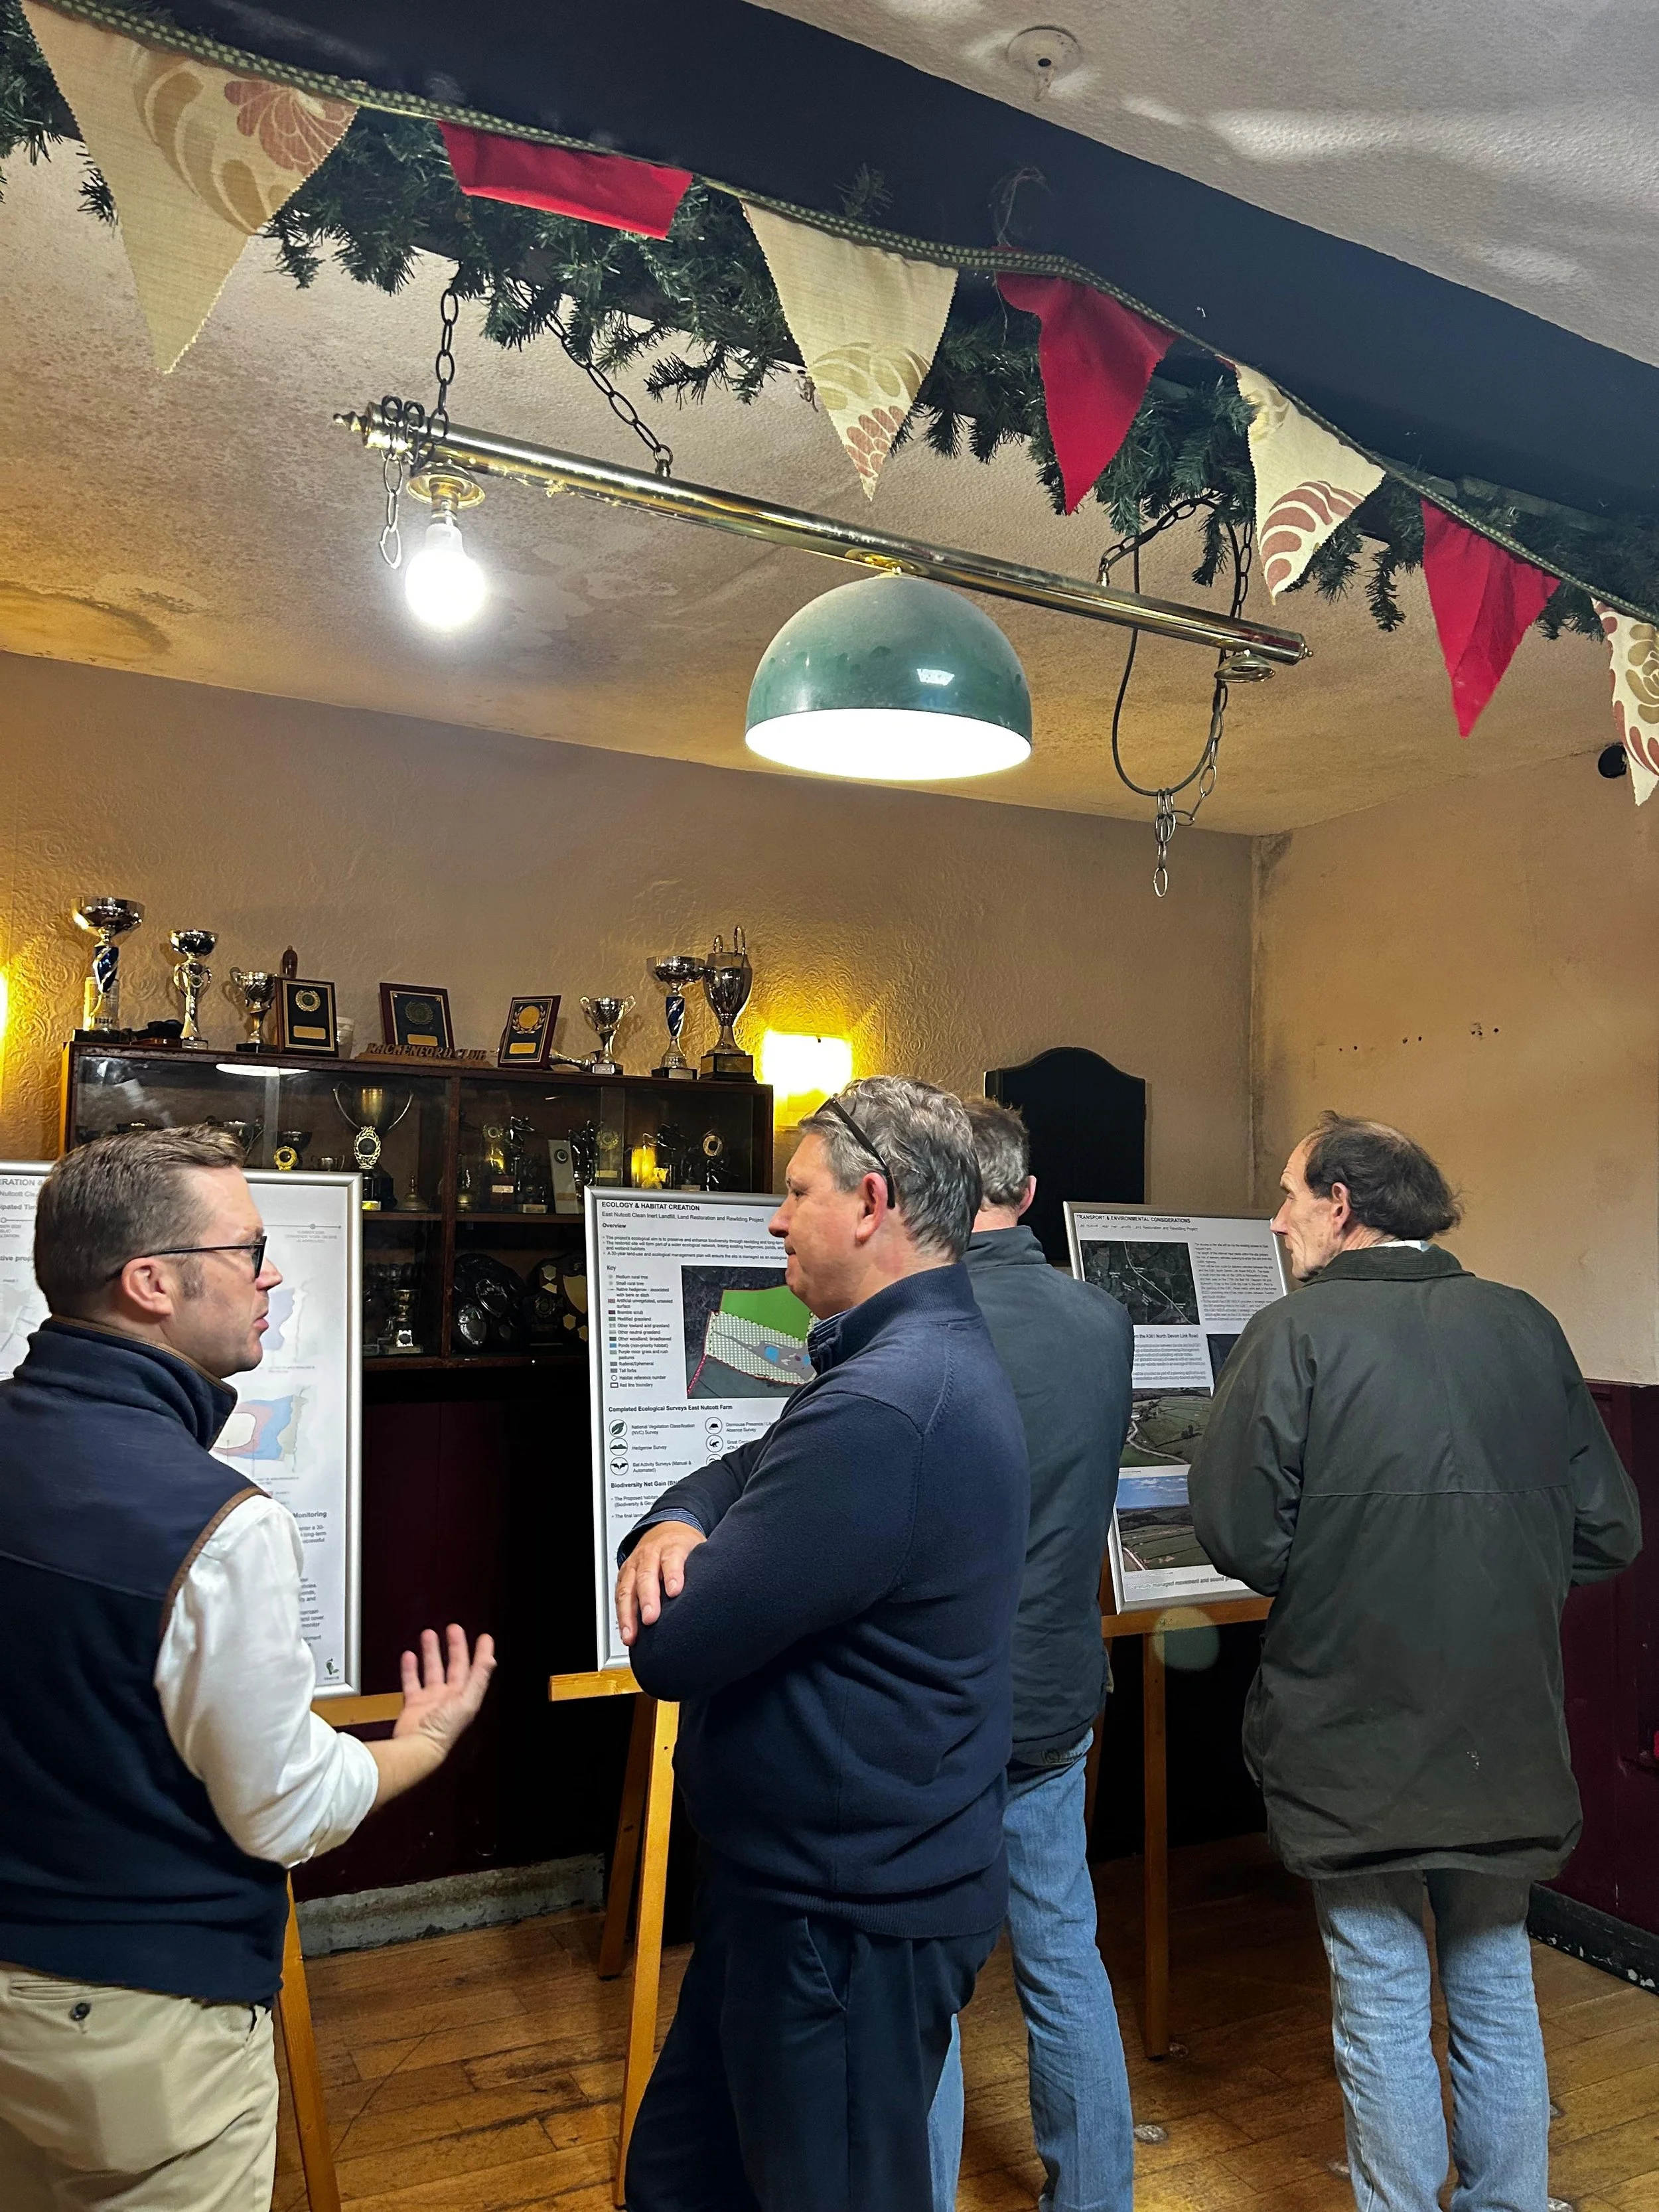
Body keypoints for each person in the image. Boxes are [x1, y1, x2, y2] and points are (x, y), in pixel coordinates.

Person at [0, 1126, 495, 2210]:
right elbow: (281, 1811)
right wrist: (419, 1744)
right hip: (138, 2039)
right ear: (150, 1282)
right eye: (247, 1249)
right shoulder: (220, 1527)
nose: (271, 1275)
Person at [1189, 1114, 1641, 2212]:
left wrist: (1353, 1569)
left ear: (1341, 1205)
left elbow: (1239, 1533)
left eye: (1291, 1196)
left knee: (1383, 1994)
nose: (1278, 1219)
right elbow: (1609, 1529)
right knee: (1494, 1981)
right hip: (1506, 1726)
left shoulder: (1292, 1338)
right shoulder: (1526, 1325)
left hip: (1351, 1726)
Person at [613, 1077, 1030, 2212]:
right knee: (682, 2181)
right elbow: (755, 1466)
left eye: (796, 1192)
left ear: (872, 1202)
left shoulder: (890, 1403)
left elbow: (677, 1646)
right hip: (800, 1895)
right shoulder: (898, 1362)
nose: (775, 1217)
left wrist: (672, 1549)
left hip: (843, 1924)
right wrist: (679, 1516)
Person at [928, 1097, 1136, 2212]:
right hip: (1058, 1687)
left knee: (926, 1976)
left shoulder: (921, 1320)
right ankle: (1096, 2196)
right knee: (1065, 1954)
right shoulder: (1104, 1322)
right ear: (1030, 1194)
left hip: (940, 1700)